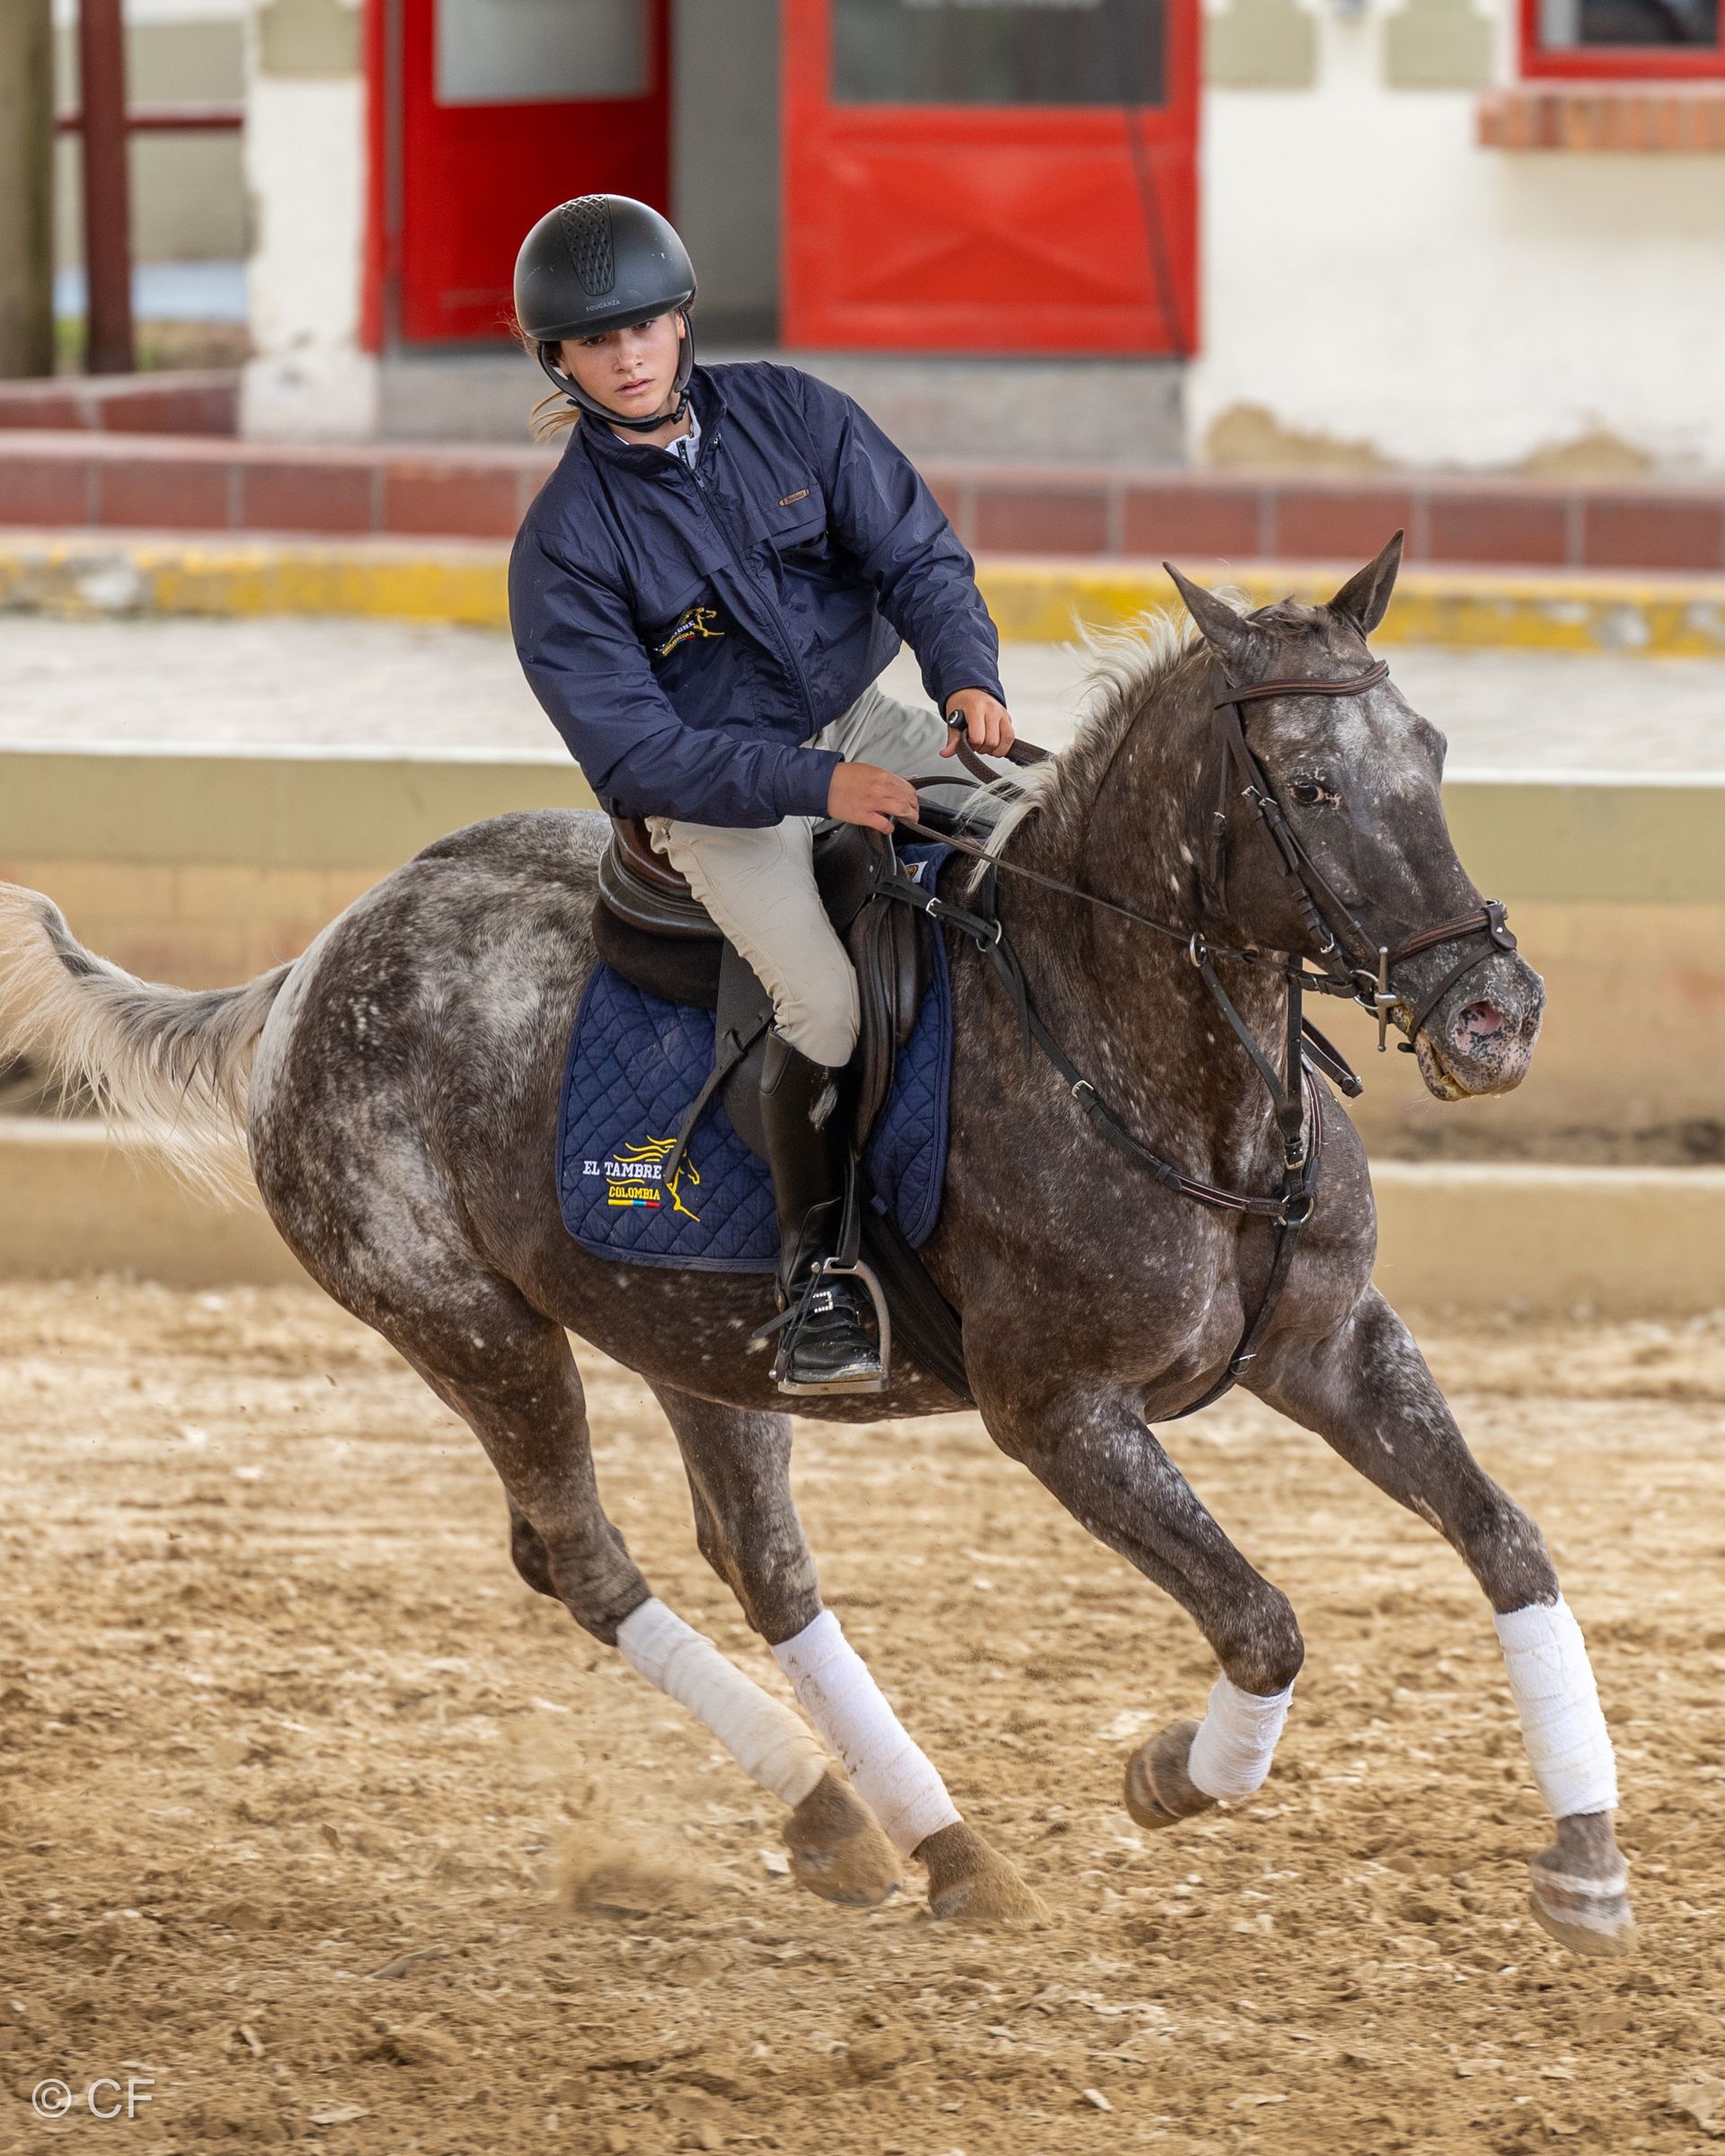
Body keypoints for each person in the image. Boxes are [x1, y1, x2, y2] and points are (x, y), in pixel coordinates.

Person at [509, 192, 1015, 1396]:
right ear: (560, 361)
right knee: (826, 1002)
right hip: (717, 791)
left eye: (643, 327)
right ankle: (821, 1278)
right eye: (595, 341)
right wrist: (818, 784)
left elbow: (919, 558)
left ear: (682, 322)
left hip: (864, 718)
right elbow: (636, 754)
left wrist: (968, 679)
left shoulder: (797, 413)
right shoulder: (565, 545)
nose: (626, 357)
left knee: (1050, 838)